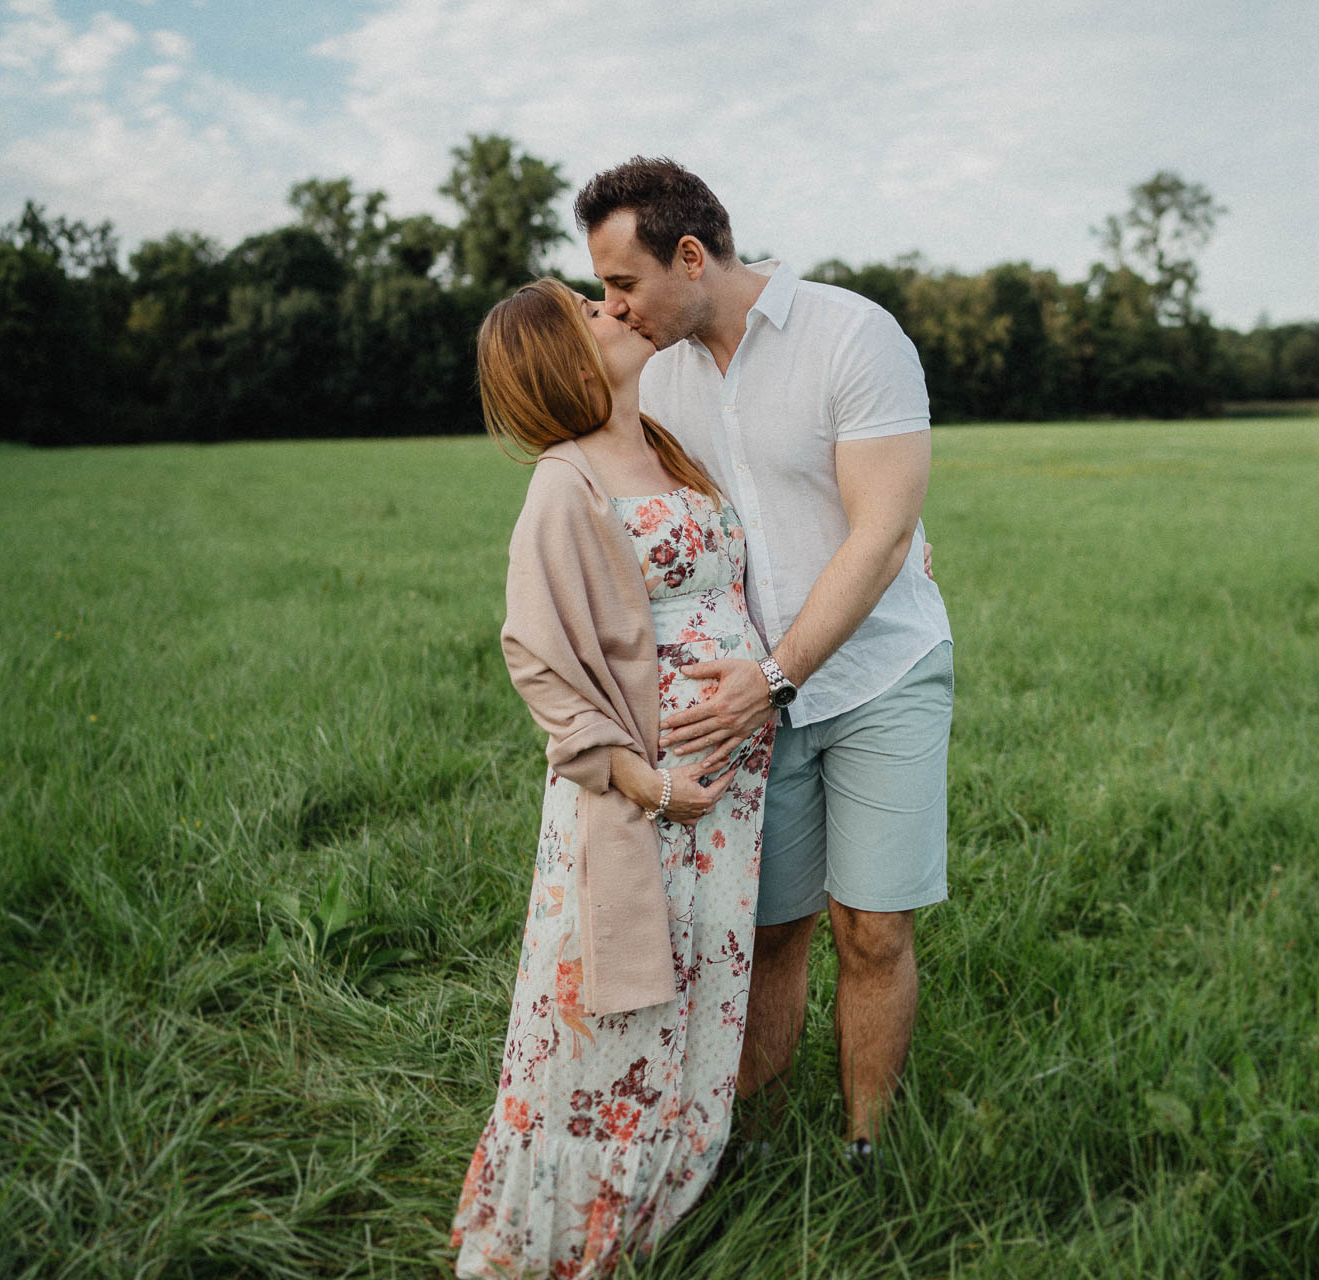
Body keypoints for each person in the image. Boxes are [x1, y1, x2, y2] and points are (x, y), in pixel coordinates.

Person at [576, 157, 954, 1168]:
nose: (612, 306)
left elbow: (879, 535)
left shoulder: (852, 334)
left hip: (881, 674)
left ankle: (865, 1143)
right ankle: (741, 1143)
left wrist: (776, 676)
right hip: (746, 702)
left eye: (623, 283)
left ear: (690, 256)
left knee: (871, 927)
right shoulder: (654, 374)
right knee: (771, 930)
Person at [448, 277, 776, 1278]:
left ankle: (658, 1211)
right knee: (610, 1012)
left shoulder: (668, 445)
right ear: (562, 359)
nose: (613, 310)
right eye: (586, 313)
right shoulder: (566, 477)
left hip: (727, 798)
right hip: (646, 795)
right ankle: (559, 1242)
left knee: (700, 995)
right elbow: (538, 660)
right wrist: (647, 780)